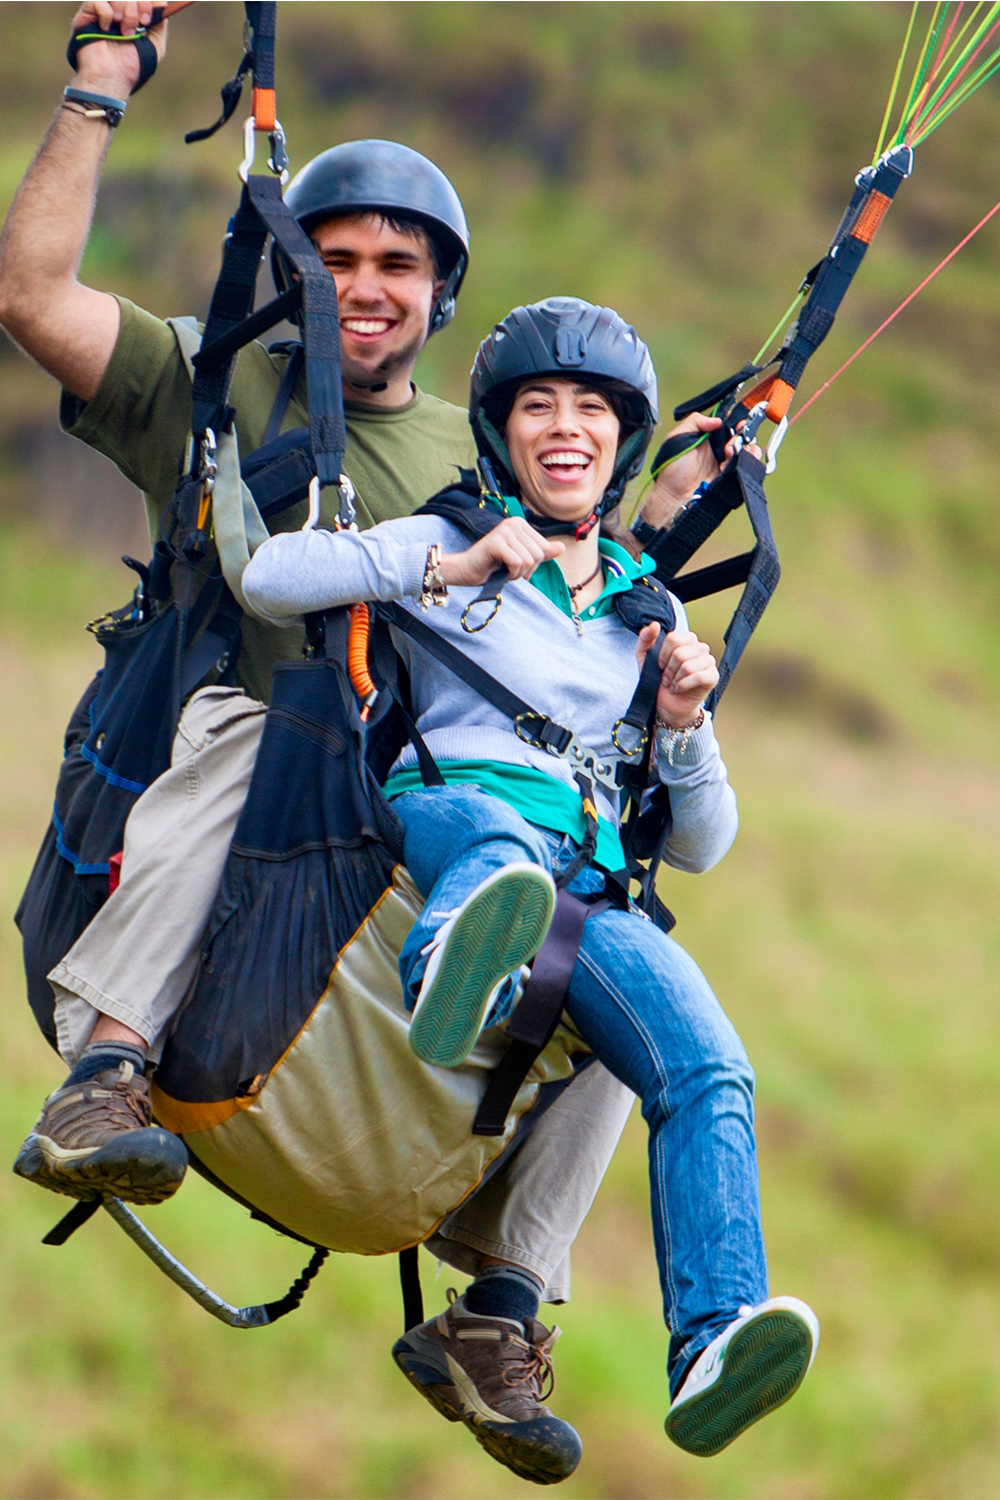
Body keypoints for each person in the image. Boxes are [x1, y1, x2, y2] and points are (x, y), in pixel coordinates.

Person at [0, 4, 728, 1485]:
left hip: (392, 816)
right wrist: (99, 84)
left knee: (612, 944)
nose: (364, 286)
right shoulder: (207, 381)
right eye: (336, 258)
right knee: (252, 717)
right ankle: (107, 1069)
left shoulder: (473, 461)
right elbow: (29, 293)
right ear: (291, 269)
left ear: (443, 296)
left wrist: (675, 516)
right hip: (235, 758)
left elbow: (559, 595)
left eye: (398, 265)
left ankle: (499, 1296)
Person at [241, 296, 820, 1460]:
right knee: (496, 848)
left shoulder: (640, 617)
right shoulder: (444, 536)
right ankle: (457, 966)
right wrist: (445, 563)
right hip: (441, 815)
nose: (565, 427)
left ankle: (710, 1333)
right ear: (503, 432)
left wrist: (684, 723)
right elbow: (269, 577)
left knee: (707, 1062)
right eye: (539, 406)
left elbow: (704, 842)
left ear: (620, 440)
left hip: (582, 881)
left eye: (592, 410)